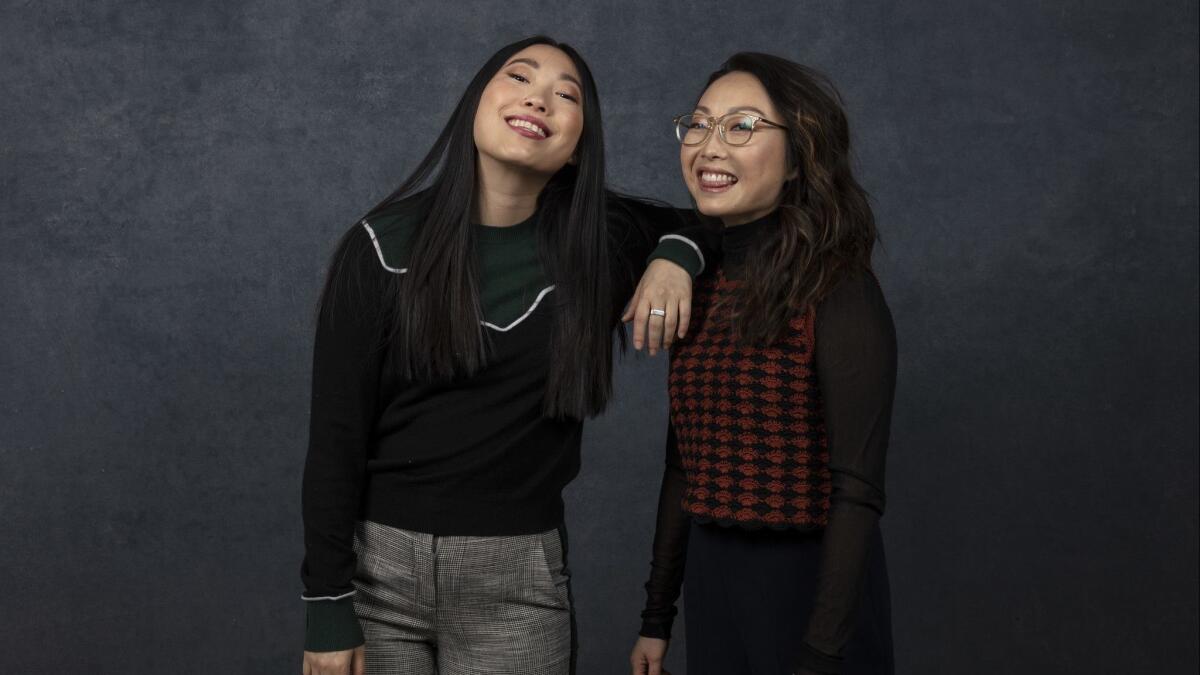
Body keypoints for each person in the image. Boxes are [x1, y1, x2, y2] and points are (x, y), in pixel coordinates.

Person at [300, 36, 714, 675]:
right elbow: (334, 440)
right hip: (377, 572)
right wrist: (327, 603)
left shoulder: (602, 241)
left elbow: (718, 220)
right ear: (476, 104)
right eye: (519, 77)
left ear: (580, 143)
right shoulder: (379, 247)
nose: (538, 98)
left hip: (519, 580)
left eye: (566, 94)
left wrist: (672, 259)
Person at [630, 52, 896, 675]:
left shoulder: (838, 288)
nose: (710, 146)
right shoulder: (696, 279)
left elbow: (856, 494)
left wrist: (821, 651)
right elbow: (683, 465)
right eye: (698, 124)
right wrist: (656, 617)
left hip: (813, 592)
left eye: (742, 126)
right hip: (713, 582)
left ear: (800, 154)